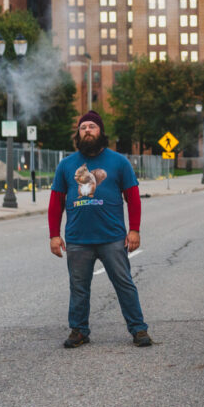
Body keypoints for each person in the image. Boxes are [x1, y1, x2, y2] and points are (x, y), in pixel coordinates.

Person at [48, 110, 152, 348]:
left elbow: (133, 198)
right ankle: (79, 330)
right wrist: (55, 235)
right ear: (78, 133)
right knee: (78, 288)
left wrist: (134, 230)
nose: (87, 131)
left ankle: (138, 329)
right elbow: (56, 202)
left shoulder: (119, 162)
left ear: (101, 132)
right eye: (83, 127)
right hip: (77, 239)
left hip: (112, 238)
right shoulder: (66, 165)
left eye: (92, 127)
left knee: (124, 283)